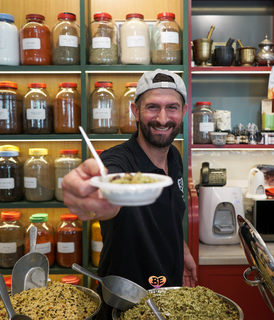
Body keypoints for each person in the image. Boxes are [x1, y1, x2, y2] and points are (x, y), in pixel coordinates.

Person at [62, 69, 198, 318]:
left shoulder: (176, 158)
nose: (163, 118)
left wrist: (183, 249)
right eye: (152, 107)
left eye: (172, 107)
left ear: (184, 111)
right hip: (124, 301)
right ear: (135, 111)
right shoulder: (118, 159)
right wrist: (96, 196)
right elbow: (109, 197)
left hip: (169, 297)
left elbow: (168, 215)